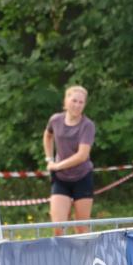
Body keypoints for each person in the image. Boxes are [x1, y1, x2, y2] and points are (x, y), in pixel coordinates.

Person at [43, 85, 95, 235]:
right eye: (74, 101)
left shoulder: (87, 125)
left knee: (81, 228)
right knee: (58, 228)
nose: (77, 105)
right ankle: (61, 251)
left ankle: (85, 250)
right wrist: (49, 158)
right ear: (66, 101)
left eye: (81, 102)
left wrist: (57, 166)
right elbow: (48, 136)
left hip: (82, 177)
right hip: (61, 179)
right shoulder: (55, 120)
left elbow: (82, 155)